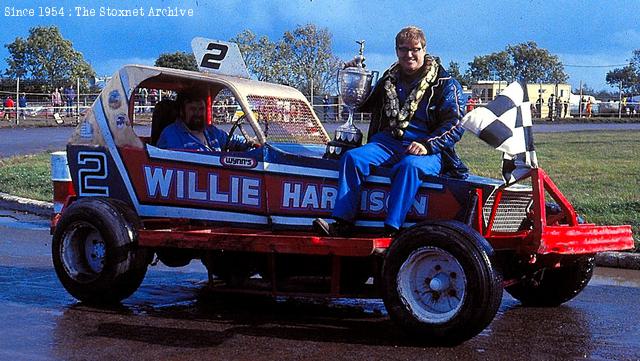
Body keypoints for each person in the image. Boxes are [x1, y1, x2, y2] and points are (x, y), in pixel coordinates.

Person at [313, 26, 467, 237]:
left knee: (409, 166)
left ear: (424, 49)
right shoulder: (389, 78)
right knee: (353, 159)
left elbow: (456, 124)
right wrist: (354, 77)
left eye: (415, 49)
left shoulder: (445, 84)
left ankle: (391, 230)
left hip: (427, 148)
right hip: (388, 142)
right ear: (396, 51)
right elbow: (363, 104)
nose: (409, 55)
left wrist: (427, 145)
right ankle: (342, 223)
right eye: (403, 49)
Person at [157, 92, 255, 152]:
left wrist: (250, 143)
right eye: (192, 109)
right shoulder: (170, 134)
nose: (197, 113)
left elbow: (234, 139)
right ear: (182, 111)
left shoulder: (211, 131)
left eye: (201, 109)